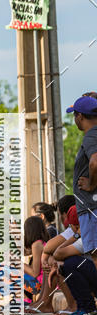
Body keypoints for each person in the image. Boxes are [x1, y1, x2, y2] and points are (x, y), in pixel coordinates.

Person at [67, 94, 97, 256]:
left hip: (91, 208)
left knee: (95, 255)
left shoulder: (91, 135)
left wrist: (91, 184)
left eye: (74, 115)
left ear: (80, 116)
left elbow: (95, 161)